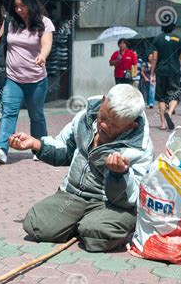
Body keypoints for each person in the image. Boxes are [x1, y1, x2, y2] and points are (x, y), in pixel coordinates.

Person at [9, 84, 153, 252]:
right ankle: (81, 223)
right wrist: (36, 144)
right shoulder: (83, 119)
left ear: (131, 126)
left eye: (113, 125)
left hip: (108, 204)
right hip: (72, 196)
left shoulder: (139, 149)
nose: (104, 125)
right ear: (103, 100)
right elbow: (65, 149)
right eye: (103, 116)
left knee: (97, 234)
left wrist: (120, 175)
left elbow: (133, 197)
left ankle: (92, 225)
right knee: (36, 224)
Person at [0, 0, 54, 164]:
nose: (19, 10)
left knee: (36, 115)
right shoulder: (10, 21)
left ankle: (40, 148)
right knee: (8, 113)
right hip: (13, 79)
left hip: (37, 80)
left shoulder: (44, 22)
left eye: (22, 6)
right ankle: (1, 148)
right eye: (16, 6)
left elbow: (47, 43)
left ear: (31, 3)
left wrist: (42, 55)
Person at [150, 23, 181, 131]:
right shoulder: (178, 39)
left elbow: (154, 58)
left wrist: (152, 73)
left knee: (161, 98)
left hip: (161, 71)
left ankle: (162, 124)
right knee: (175, 95)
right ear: (173, 28)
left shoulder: (157, 39)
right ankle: (169, 113)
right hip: (174, 71)